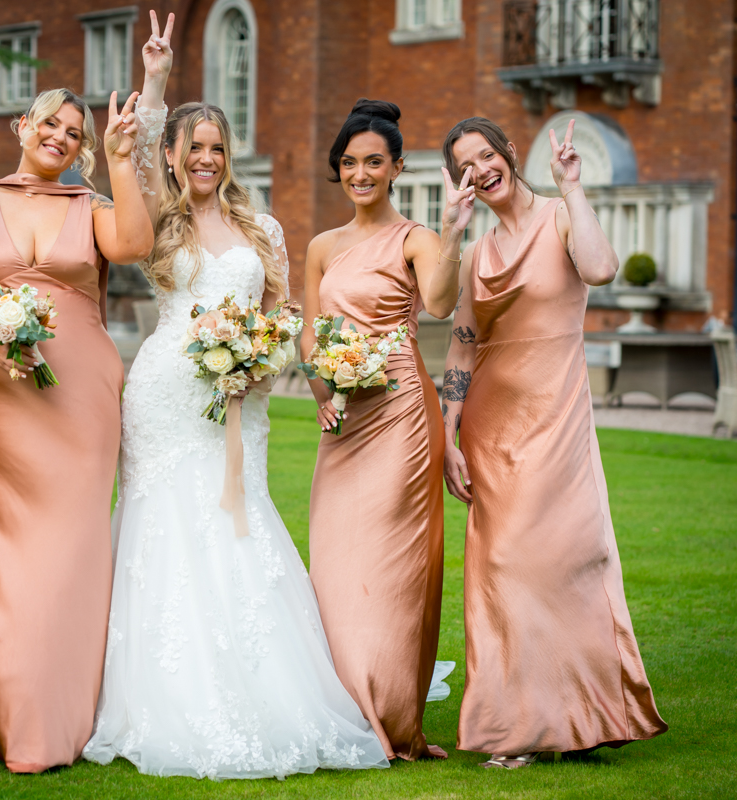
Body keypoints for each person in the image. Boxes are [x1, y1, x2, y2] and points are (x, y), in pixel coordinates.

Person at [82, 12, 389, 780]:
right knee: (166, 526)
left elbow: (285, 314)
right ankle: (162, 691)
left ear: (229, 156)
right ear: (177, 158)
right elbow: (142, 153)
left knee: (236, 525)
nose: (207, 160)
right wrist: (155, 77)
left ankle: (258, 687)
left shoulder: (264, 231)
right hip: (163, 396)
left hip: (237, 399)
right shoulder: (159, 221)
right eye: (195, 149)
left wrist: (260, 361)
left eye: (217, 148)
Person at [440, 116, 668, 768]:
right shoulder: (477, 253)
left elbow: (600, 268)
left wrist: (572, 185)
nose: (481, 168)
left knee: (556, 567)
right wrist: (449, 431)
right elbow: (461, 342)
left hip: (558, 422)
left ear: (508, 153)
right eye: (466, 164)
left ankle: (572, 717)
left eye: (487, 154)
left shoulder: (561, 218)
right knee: (501, 571)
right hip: (491, 431)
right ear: (460, 178)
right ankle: (519, 725)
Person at [0, 87, 153, 773]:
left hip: (81, 393)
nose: (60, 136)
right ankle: (7, 708)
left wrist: (121, 157)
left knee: (73, 550)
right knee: (13, 554)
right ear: (22, 126)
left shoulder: (90, 207)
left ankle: (57, 718)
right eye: (50, 123)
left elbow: (137, 243)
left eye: (74, 131)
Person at [300, 98, 465, 762]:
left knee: (392, 567)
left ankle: (392, 717)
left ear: (397, 167)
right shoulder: (321, 246)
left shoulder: (417, 239)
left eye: (373, 162)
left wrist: (453, 229)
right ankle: (342, 703)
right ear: (338, 169)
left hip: (399, 415)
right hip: (343, 417)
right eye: (349, 163)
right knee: (337, 563)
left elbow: (442, 304)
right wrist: (323, 390)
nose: (360, 173)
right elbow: (310, 332)